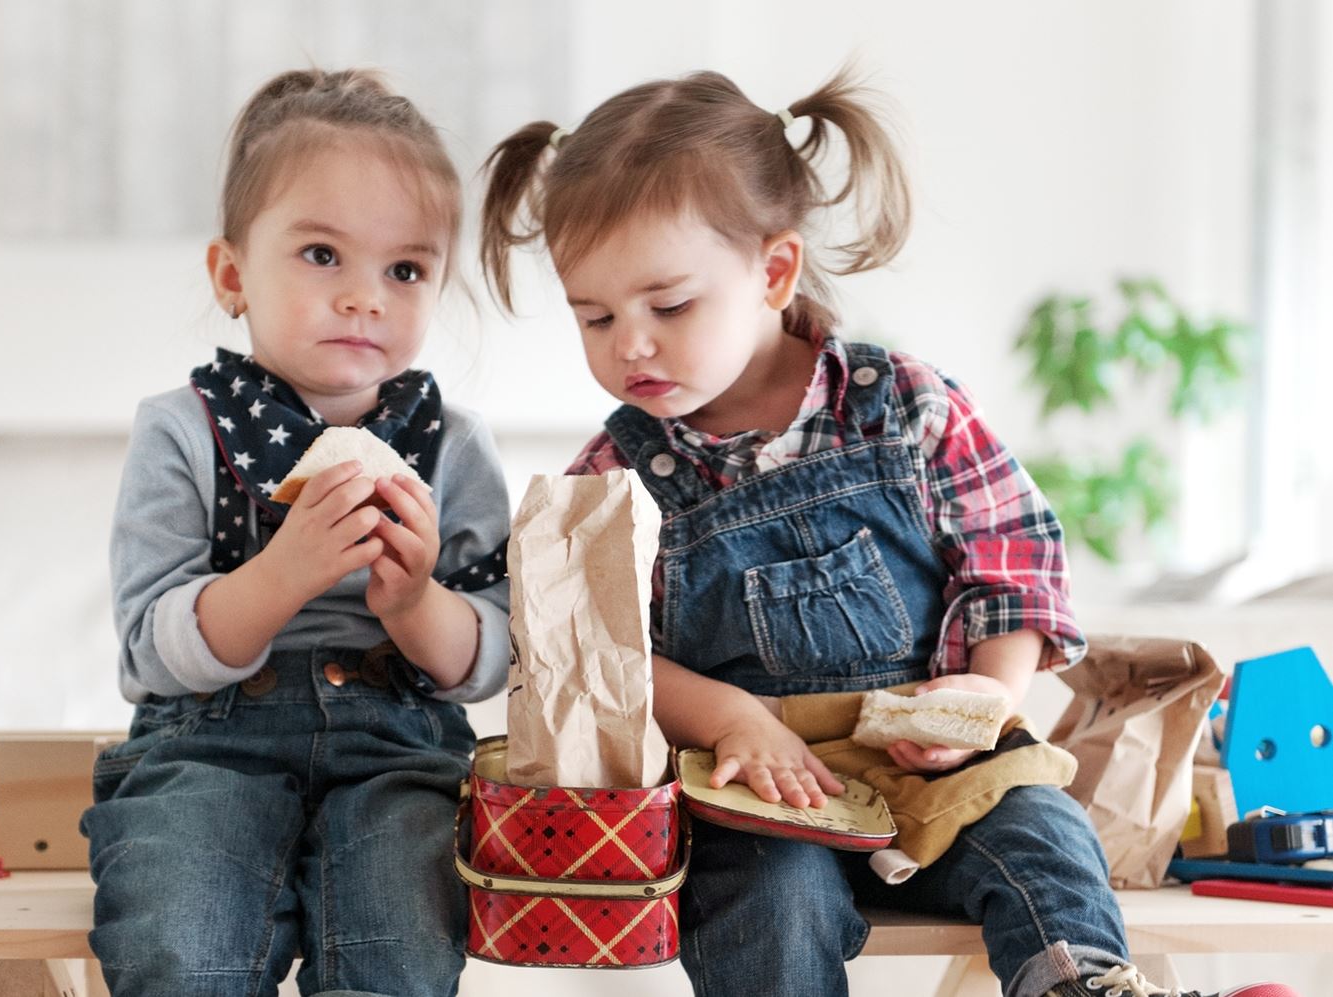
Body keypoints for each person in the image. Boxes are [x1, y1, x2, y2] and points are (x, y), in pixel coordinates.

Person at [478, 68, 1302, 997]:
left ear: (773, 270)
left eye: (666, 306)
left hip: (943, 766)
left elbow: (1012, 561)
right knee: (759, 898)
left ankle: (1081, 983)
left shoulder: (902, 406)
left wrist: (985, 697)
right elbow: (597, 654)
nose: (628, 344)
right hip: (758, 795)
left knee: (1040, 828)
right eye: (593, 316)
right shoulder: (612, 474)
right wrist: (734, 717)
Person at [82, 68, 510, 997]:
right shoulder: (182, 428)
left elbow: (497, 653)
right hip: (205, 741)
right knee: (178, 944)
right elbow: (149, 649)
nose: (366, 297)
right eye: (322, 254)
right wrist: (285, 572)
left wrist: (416, 603)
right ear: (232, 275)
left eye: (405, 269)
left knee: (398, 950)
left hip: (400, 743)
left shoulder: (455, 445)